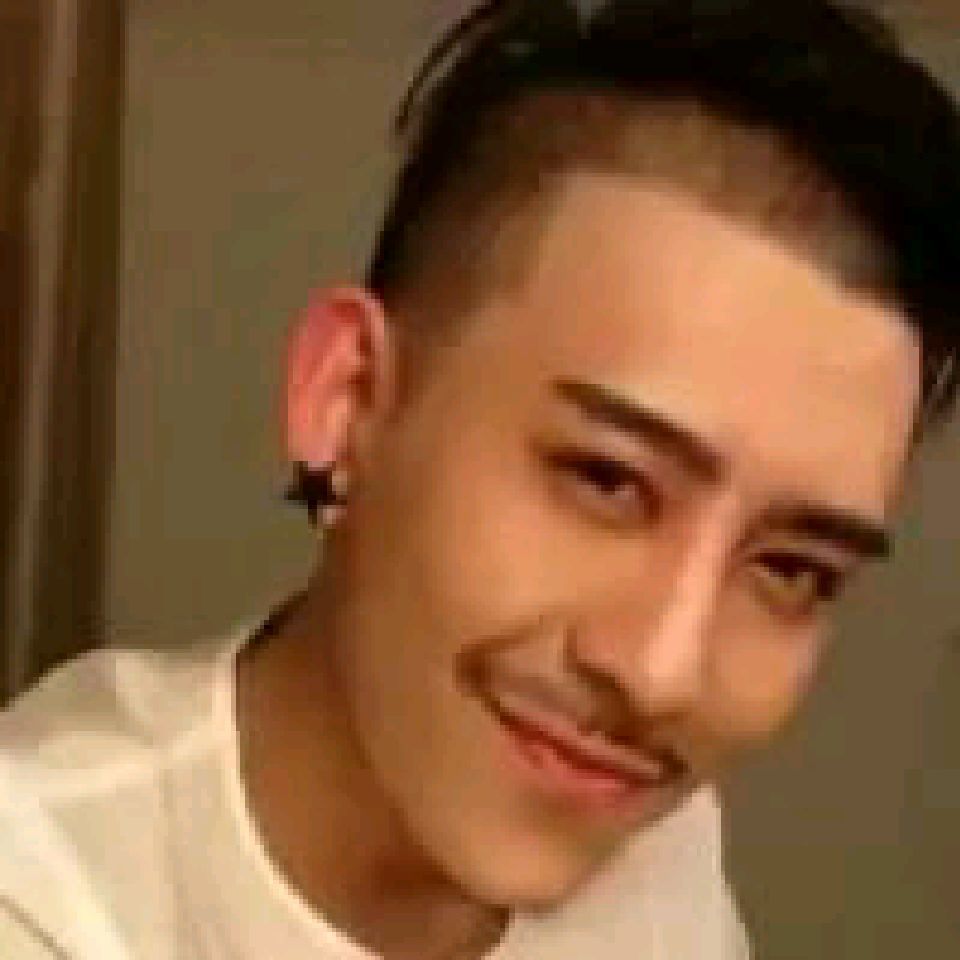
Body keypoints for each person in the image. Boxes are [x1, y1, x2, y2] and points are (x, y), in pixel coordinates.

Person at [2, 1, 959, 958]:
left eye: (792, 569)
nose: (662, 673)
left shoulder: (644, 832)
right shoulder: (44, 899)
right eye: (606, 479)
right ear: (348, 400)